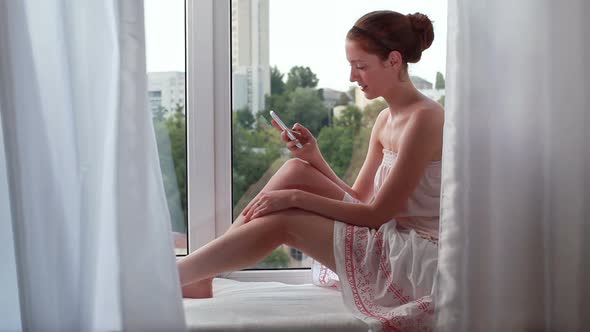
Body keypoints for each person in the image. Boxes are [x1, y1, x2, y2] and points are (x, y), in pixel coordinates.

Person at [177, 10, 443, 331]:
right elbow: (358, 198)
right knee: (295, 170)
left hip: (414, 257)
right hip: (388, 235)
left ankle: (168, 278)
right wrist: (314, 157)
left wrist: (294, 199)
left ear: (394, 60)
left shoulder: (425, 118)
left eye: (361, 66)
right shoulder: (385, 119)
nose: (352, 77)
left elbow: (374, 214)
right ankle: (200, 275)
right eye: (351, 66)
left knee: (286, 219)